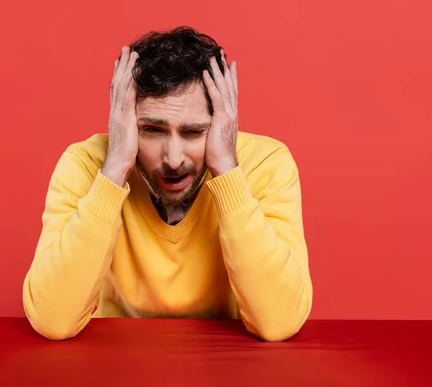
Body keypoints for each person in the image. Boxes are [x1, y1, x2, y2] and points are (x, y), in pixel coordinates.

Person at [22, 26, 313, 342]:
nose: (173, 159)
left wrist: (227, 170)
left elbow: (279, 322)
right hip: (114, 360)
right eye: (152, 130)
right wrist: (115, 167)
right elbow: (53, 320)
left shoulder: (265, 164)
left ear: (222, 123)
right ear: (124, 122)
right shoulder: (87, 165)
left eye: (193, 132)